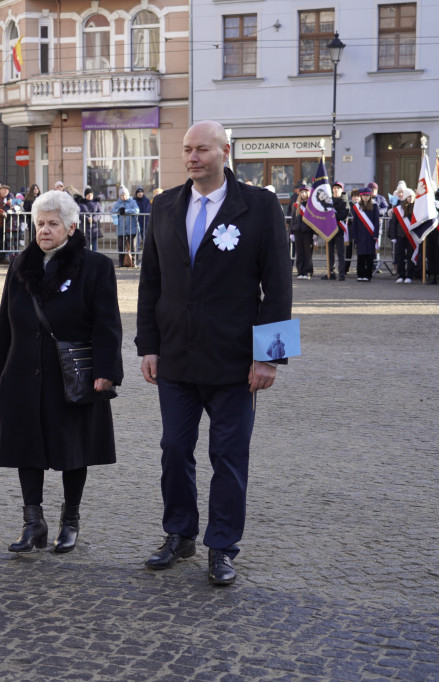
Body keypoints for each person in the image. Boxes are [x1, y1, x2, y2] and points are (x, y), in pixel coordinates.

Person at [136, 120, 292, 586]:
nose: (192, 158)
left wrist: (270, 356)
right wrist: (148, 346)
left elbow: (278, 288)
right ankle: (179, 534)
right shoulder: (165, 207)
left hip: (235, 363)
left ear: (225, 151)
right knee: (174, 449)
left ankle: (222, 546)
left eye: (202, 149)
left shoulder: (260, 207)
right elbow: (151, 284)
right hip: (176, 360)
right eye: (187, 150)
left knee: (228, 455)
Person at [0, 189, 121, 554]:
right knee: (26, 445)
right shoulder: (19, 265)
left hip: (72, 373)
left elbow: (107, 325)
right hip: (23, 370)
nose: (44, 230)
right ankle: (33, 522)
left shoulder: (95, 267)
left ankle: (70, 521)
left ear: (72, 227)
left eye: (52, 224)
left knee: (72, 447)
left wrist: (107, 371)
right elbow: (5, 321)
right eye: (39, 224)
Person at [387, 188, 416, 284]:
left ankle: (409, 275)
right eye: (409, 196)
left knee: (410, 256)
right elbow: (394, 224)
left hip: (412, 236)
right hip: (400, 236)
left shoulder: (416, 207)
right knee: (400, 256)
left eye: (412, 196)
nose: (411, 198)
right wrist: (393, 237)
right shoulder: (399, 209)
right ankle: (401, 275)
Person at [351, 188, 380, 281]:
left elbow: (376, 221)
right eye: (364, 195)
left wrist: (376, 234)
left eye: (367, 195)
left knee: (369, 256)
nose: (365, 197)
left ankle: (368, 275)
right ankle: (360, 274)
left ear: (370, 196)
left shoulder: (374, 206)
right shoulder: (357, 207)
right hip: (360, 235)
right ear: (361, 196)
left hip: (370, 234)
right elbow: (355, 222)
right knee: (361, 256)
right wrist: (354, 235)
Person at [324, 181, 350, 281]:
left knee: (340, 253)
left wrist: (332, 216)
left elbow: (344, 214)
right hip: (329, 230)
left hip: (339, 230)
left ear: (341, 189)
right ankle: (330, 273)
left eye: (338, 188)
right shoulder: (329, 201)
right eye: (334, 188)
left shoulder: (344, 201)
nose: (336, 190)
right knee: (329, 252)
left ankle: (341, 273)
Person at [289, 186, 314, 279]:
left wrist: (315, 234)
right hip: (297, 231)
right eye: (301, 192)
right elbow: (293, 219)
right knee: (299, 253)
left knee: (308, 252)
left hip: (308, 232)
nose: (303, 194)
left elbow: (314, 220)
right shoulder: (296, 204)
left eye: (305, 192)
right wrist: (291, 232)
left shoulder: (311, 205)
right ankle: (300, 272)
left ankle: (308, 271)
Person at [111, 187, 140, 267]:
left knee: (133, 247)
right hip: (121, 228)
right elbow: (112, 211)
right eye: (122, 195)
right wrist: (119, 211)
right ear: (120, 196)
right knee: (121, 247)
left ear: (128, 195)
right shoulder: (118, 203)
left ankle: (134, 263)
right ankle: (121, 263)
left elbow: (137, 210)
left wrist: (126, 211)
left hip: (132, 228)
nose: (124, 197)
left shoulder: (132, 202)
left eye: (125, 195)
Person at [0, 185, 15, 263]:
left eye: (7, 190)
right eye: (4, 189)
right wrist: (2, 212)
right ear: (0, 190)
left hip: (8, 223)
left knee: (5, 241)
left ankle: (3, 257)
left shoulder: (10, 199)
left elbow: (16, 207)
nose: (6, 191)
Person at [77, 186, 102, 251]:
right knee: (86, 246)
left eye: (91, 194)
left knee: (94, 247)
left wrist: (93, 219)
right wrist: (87, 218)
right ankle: (87, 259)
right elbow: (79, 213)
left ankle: (94, 259)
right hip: (85, 228)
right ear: (85, 195)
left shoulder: (96, 203)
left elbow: (99, 213)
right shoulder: (81, 204)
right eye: (88, 194)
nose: (90, 195)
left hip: (94, 228)